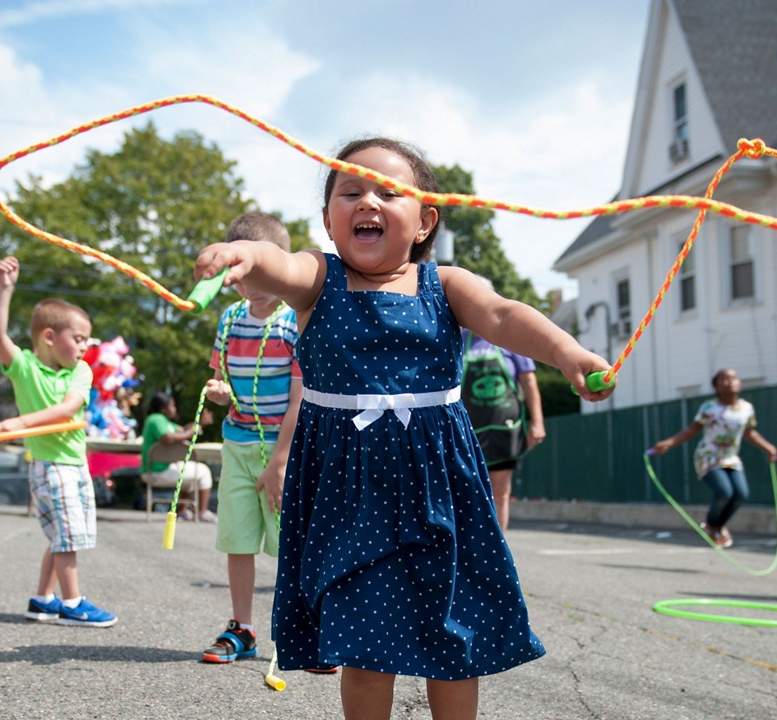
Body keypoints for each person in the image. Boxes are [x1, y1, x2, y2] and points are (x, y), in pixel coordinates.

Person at [194, 138, 613, 720]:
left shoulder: (448, 284)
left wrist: (568, 354)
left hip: (438, 479)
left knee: (453, 632)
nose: (368, 201)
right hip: (349, 486)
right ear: (328, 221)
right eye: (350, 192)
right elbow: (281, 266)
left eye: (389, 192)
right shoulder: (319, 279)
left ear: (425, 221)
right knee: (365, 645)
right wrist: (246, 252)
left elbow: (503, 314)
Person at [199, 211, 306, 667]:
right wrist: (219, 393)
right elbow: (220, 384)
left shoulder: (295, 323)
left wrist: (280, 460)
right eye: (244, 277)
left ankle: (301, 630)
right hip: (238, 445)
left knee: (290, 544)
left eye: (263, 275)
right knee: (238, 540)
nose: (253, 287)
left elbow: (302, 399)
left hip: (284, 452)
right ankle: (242, 627)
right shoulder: (228, 321)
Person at [0, 255, 117, 628]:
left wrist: (19, 422)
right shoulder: (25, 367)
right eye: (77, 339)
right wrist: (4, 289)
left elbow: (68, 409)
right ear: (49, 336)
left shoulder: (81, 371)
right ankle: (72, 603)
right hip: (50, 466)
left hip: (76, 465)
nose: (83, 347)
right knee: (66, 534)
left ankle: (43, 599)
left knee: (63, 533)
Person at [650, 368, 777, 549]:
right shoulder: (709, 408)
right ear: (716, 386)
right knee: (725, 491)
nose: (730, 381)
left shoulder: (746, 408)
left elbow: (750, 433)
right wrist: (669, 443)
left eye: (734, 378)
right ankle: (711, 524)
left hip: (731, 458)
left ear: (740, 383)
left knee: (741, 493)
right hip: (708, 458)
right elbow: (692, 430)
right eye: (724, 379)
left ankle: (719, 525)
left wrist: (768, 447)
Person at [460, 282, 546, 531]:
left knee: (500, 492)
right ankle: (470, 552)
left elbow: (529, 382)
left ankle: (496, 554)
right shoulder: (459, 339)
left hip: (504, 430)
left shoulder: (510, 338)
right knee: (468, 493)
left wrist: (537, 422)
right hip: (468, 431)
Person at [138, 391, 214, 521]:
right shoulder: (156, 419)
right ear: (163, 408)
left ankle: (182, 511)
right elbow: (167, 438)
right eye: (172, 405)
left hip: (160, 470)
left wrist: (199, 424)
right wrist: (192, 432)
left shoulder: (163, 422)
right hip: (158, 470)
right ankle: (202, 512)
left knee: (191, 473)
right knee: (204, 471)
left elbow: (183, 430)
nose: (174, 409)